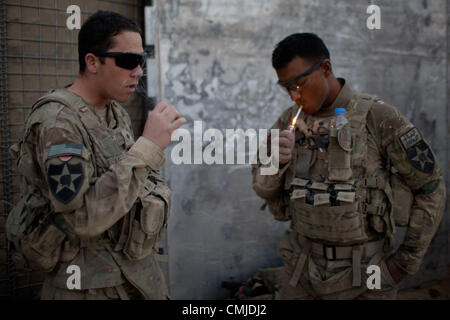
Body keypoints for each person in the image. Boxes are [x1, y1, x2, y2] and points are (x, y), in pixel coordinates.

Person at [252, 33, 446, 299]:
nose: (294, 96)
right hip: (302, 272)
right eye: (286, 87)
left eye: (300, 83)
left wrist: (404, 262)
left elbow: (431, 187)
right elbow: (262, 189)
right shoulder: (289, 122)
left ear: (326, 69)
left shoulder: (378, 117)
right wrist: (277, 161)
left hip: (366, 276)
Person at [7, 10, 186, 299]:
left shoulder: (114, 111)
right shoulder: (58, 123)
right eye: (127, 61)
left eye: (140, 61)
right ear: (92, 61)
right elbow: (82, 219)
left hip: (132, 278)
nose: (138, 71)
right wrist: (147, 148)